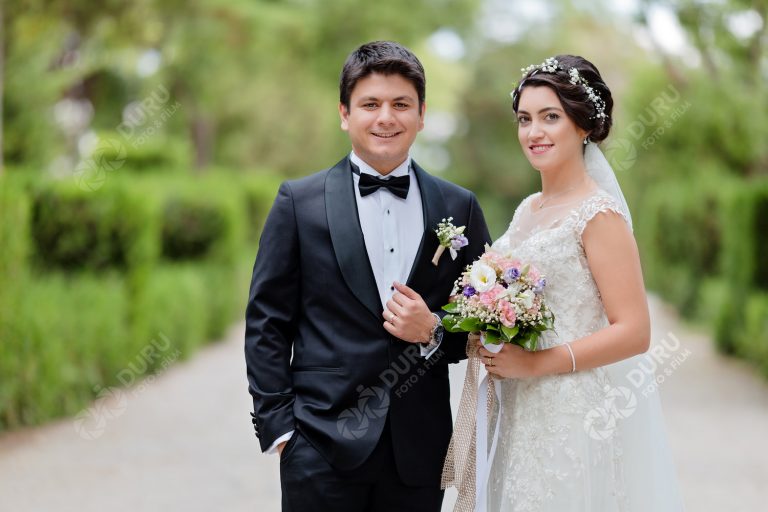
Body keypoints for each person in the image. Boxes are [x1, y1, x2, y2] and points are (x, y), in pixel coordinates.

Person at [244, 41, 491, 512]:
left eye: (401, 104)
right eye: (370, 104)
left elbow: (485, 322)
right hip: (318, 444)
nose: (386, 118)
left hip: (418, 451)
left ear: (422, 114)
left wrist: (434, 330)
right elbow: (267, 323)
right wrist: (279, 431)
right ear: (344, 114)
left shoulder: (459, 207)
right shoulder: (299, 203)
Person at [444, 55, 684, 511]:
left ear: (583, 126)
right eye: (524, 119)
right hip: (516, 406)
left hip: (572, 410)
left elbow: (634, 331)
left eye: (550, 117)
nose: (534, 132)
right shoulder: (528, 209)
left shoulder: (599, 215)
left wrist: (536, 365)